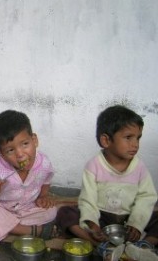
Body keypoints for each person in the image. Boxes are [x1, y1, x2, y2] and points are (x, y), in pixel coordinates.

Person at [56, 105, 158, 259]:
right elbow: (88, 198)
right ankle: (100, 245)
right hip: (102, 217)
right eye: (128, 137)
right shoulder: (94, 166)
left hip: (130, 217)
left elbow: (147, 196)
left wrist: (136, 224)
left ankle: (143, 245)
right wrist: (93, 224)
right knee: (65, 213)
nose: (135, 144)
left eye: (138, 137)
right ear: (106, 140)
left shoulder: (139, 167)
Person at [0, 110, 57, 245]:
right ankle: (31, 231)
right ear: (1, 153)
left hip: (28, 208)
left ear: (34, 140)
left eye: (25, 144)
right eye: (10, 150)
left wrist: (43, 196)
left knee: (51, 211)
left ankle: (0, 229)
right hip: (2, 208)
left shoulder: (44, 163)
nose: (20, 154)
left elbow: (47, 179)